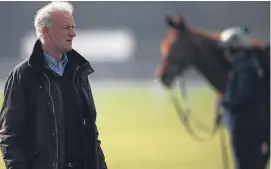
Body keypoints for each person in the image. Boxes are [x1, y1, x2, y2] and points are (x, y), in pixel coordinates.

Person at [0, 2, 107, 169]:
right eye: (66, 27)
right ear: (46, 31)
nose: (73, 33)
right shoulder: (23, 76)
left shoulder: (80, 73)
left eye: (73, 27)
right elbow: (10, 136)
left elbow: (91, 133)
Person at [217, 26, 269, 169]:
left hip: (245, 130)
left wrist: (225, 102)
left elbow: (244, 98)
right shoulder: (246, 66)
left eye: (228, 49)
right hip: (248, 128)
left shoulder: (245, 70)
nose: (226, 53)